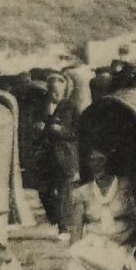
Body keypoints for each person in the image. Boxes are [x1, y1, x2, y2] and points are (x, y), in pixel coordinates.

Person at [63, 147, 136, 270]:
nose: (96, 165)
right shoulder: (82, 192)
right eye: (92, 161)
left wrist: (123, 238)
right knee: (75, 258)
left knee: (113, 259)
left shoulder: (125, 186)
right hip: (95, 239)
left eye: (100, 160)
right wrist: (74, 247)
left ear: (109, 162)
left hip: (122, 239)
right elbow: (77, 228)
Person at [35, 73, 79, 238]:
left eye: (58, 91)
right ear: (48, 90)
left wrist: (62, 131)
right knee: (43, 190)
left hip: (64, 155)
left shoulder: (71, 106)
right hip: (45, 155)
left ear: (65, 90)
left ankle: (64, 227)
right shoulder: (41, 105)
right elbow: (32, 125)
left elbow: (77, 132)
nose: (55, 94)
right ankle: (55, 218)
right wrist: (37, 127)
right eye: (53, 91)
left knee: (64, 192)